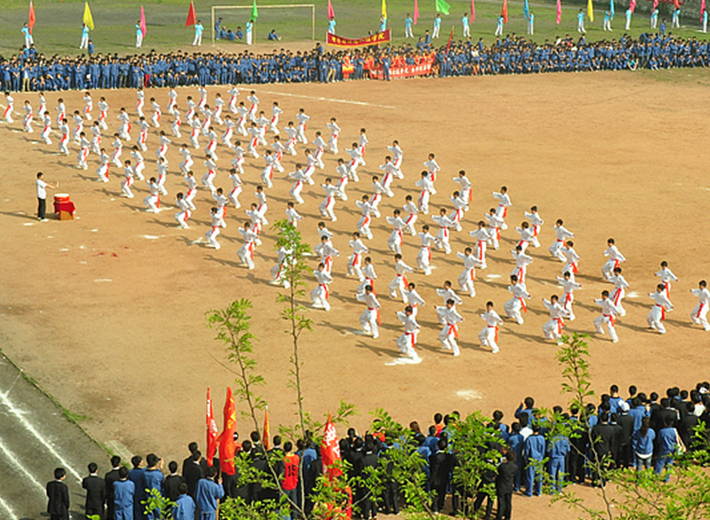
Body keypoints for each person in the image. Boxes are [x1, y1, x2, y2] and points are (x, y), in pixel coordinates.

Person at [496, 450, 517, 520]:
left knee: (501, 502)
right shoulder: (515, 467)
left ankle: (499, 516)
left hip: (501, 486)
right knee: (508, 503)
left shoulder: (502, 466)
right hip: (509, 486)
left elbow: (498, 473)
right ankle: (508, 516)